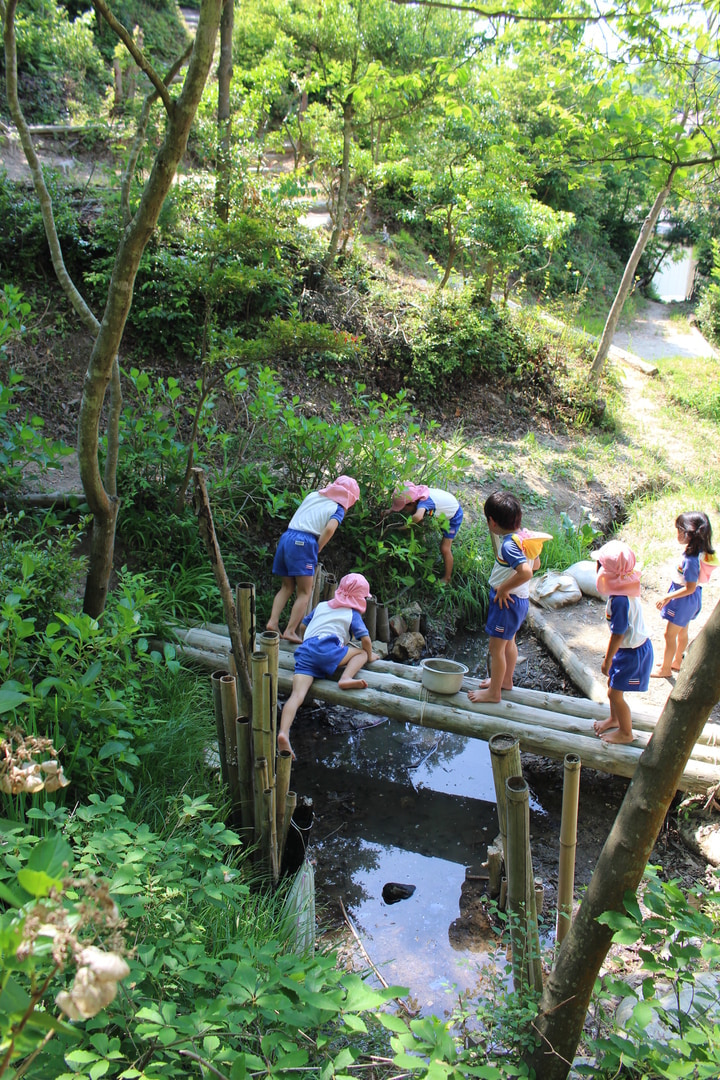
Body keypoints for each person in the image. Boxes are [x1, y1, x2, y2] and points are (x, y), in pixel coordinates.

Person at [277, 573, 379, 759]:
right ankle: (346, 678)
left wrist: (308, 640)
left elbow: (303, 627)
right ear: (359, 599)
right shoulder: (352, 614)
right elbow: (365, 640)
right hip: (328, 651)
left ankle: (283, 732)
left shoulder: (322, 606)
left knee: (296, 695)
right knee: (360, 652)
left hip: (306, 652)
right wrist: (370, 656)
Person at [267, 475, 360, 643]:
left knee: (286, 586)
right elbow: (330, 529)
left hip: (287, 537)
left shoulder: (313, 495)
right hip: (304, 542)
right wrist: (317, 548)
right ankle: (290, 631)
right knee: (304, 592)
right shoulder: (337, 508)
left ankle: (273, 622)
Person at [467, 491, 540, 704]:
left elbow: (526, 572)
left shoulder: (509, 545)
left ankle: (494, 693)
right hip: (519, 600)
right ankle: (505, 681)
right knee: (509, 643)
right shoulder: (522, 539)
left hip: (506, 601)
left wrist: (503, 589)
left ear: (492, 521)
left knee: (495, 648)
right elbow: (535, 565)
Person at [592, 539, 653, 745]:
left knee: (615, 693)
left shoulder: (619, 600)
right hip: (627, 649)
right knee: (612, 684)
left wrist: (607, 660)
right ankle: (614, 718)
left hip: (633, 653)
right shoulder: (624, 585)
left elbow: (618, 633)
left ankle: (626, 732)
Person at [652, 511, 716, 678]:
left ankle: (665, 669)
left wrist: (667, 597)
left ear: (689, 533)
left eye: (680, 530)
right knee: (682, 631)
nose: (678, 534)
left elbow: (690, 587)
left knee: (669, 634)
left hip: (683, 599)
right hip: (689, 600)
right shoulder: (698, 551)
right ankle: (677, 661)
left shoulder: (691, 559)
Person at [390, 483, 463, 583]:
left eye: (403, 508)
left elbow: (418, 517)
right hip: (446, 505)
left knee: (445, 548)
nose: (402, 510)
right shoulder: (416, 494)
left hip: (453, 516)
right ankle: (422, 544)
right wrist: (390, 511)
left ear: (411, 503)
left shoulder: (424, 503)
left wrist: (402, 528)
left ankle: (447, 578)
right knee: (416, 516)